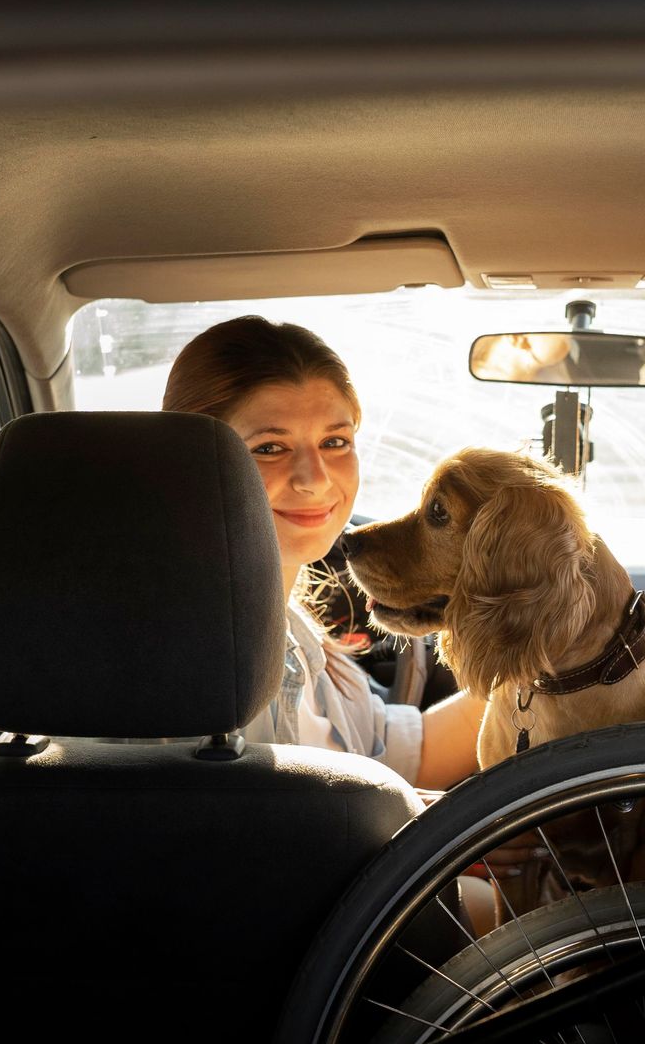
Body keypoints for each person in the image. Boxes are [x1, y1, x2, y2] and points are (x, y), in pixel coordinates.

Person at [162, 316, 485, 790]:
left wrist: (540, 662)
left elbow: (385, 758)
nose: (313, 479)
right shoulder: (201, 656)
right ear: (189, 464)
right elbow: (278, 843)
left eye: (335, 442)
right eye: (269, 447)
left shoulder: (286, 628)